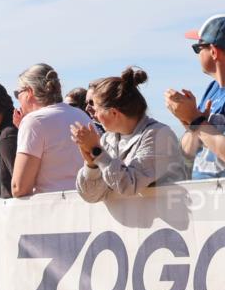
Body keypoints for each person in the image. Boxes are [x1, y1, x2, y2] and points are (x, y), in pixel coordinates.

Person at [72, 67, 187, 202]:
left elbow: (129, 185)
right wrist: (92, 165)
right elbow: (91, 195)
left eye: (96, 108)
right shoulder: (107, 139)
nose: (94, 114)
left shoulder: (158, 135)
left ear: (114, 113)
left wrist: (97, 151)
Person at [11, 64, 92, 196]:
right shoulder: (81, 115)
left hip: (52, 209)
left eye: (17, 93)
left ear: (29, 92)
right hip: (87, 205)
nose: (17, 99)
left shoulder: (34, 121)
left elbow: (19, 187)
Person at [165, 14, 225, 179]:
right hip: (206, 196)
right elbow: (187, 152)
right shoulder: (213, 88)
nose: (197, 54)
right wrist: (188, 121)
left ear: (213, 51)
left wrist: (196, 120)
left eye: (198, 47)